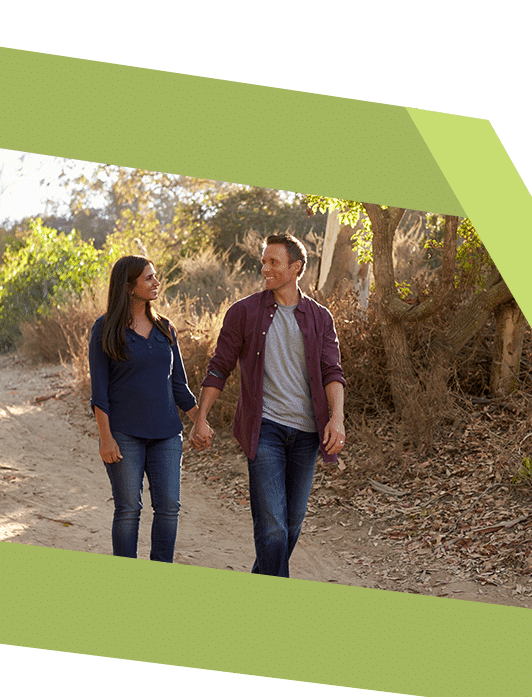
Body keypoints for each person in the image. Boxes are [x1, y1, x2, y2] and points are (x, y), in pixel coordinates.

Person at [189, 233, 346, 577]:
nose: (265, 269)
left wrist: (337, 418)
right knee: (272, 526)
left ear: (296, 267)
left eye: (273, 262)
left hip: (307, 434)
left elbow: (332, 371)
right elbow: (220, 366)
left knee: (290, 525)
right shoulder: (244, 312)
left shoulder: (320, 317)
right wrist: (201, 418)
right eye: (263, 261)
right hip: (266, 430)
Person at [89, 254, 199, 562]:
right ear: (128, 287)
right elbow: (99, 391)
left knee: (168, 507)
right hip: (124, 434)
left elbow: (179, 386)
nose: (156, 282)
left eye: (155, 276)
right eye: (148, 278)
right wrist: (105, 437)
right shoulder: (105, 329)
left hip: (166, 434)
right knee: (128, 509)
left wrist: (199, 420)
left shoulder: (166, 329)